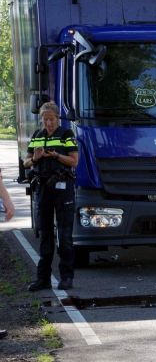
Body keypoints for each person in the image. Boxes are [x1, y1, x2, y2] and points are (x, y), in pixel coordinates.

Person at [22, 102, 78, 291]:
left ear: (57, 119)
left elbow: (74, 160)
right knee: (45, 234)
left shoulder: (66, 135)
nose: (48, 123)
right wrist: (36, 158)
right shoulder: (37, 136)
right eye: (45, 119)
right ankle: (43, 279)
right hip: (43, 188)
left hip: (63, 188)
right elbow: (26, 162)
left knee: (64, 234)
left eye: (51, 119)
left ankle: (67, 277)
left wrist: (55, 155)